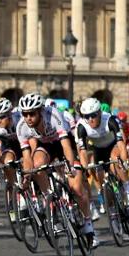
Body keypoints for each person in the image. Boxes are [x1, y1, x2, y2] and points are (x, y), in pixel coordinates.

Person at [16, 93, 97, 246]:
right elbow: (27, 157)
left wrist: (70, 166)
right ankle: (49, 197)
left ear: (40, 111)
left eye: (32, 114)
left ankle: (88, 225)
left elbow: (66, 145)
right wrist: (27, 175)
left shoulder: (53, 115)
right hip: (47, 146)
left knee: (77, 189)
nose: (28, 118)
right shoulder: (21, 126)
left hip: (64, 143)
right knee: (36, 165)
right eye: (25, 114)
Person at [74, 96, 129, 218]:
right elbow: (82, 151)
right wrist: (84, 168)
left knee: (116, 160)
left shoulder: (110, 120)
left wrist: (125, 161)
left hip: (113, 145)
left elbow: (121, 143)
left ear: (99, 113)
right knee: (101, 177)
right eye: (87, 116)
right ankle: (110, 206)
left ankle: (127, 190)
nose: (90, 119)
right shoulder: (81, 127)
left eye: (93, 115)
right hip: (98, 149)